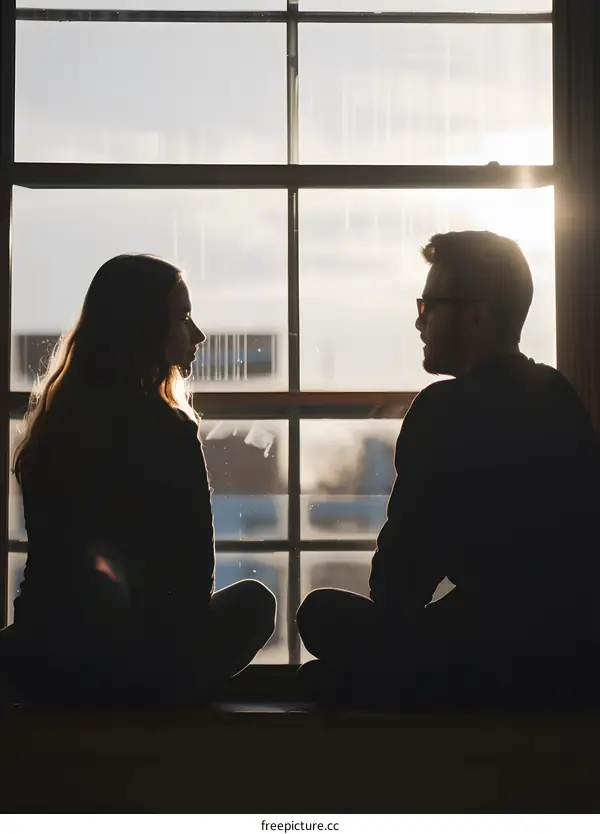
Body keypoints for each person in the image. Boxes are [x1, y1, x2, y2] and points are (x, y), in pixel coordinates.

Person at [297, 230, 600, 710]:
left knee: (319, 615)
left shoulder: (444, 409)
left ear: (476, 314)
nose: (419, 323)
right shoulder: (556, 393)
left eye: (429, 306)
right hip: (576, 655)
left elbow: (398, 586)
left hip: (489, 655)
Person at [2, 254, 276, 707]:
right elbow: (194, 576)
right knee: (255, 602)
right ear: (145, 326)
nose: (199, 335)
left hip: (57, 659)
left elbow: (44, 576)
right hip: (145, 663)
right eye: (184, 317)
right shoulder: (168, 429)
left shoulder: (56, 428)